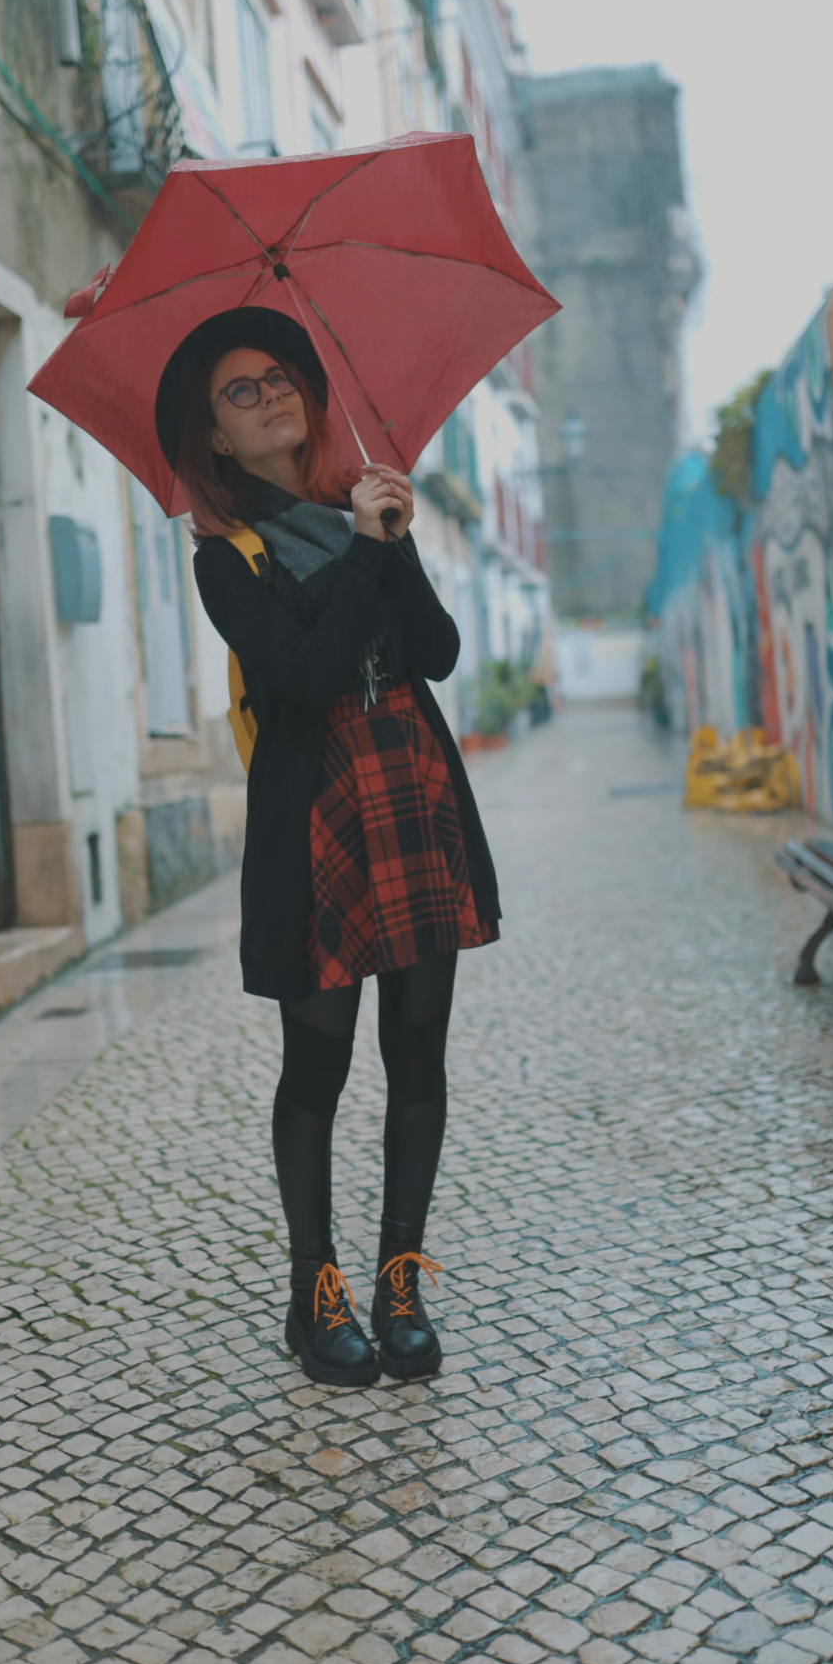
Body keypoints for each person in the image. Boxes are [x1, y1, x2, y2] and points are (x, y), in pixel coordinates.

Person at [155, 309, 500, 1388]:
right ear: (216, 437)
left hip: (413, 794)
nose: (271, 396)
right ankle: (315, 1293)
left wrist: (391, 538)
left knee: (419, 1049)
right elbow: (305, 674)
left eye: (278, 377)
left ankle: (400, 1285)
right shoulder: (227, 559)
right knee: (319, 1061)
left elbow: (435, 652)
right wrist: (362, 549)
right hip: (317, 822)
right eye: (241, 391)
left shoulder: (364, 513)